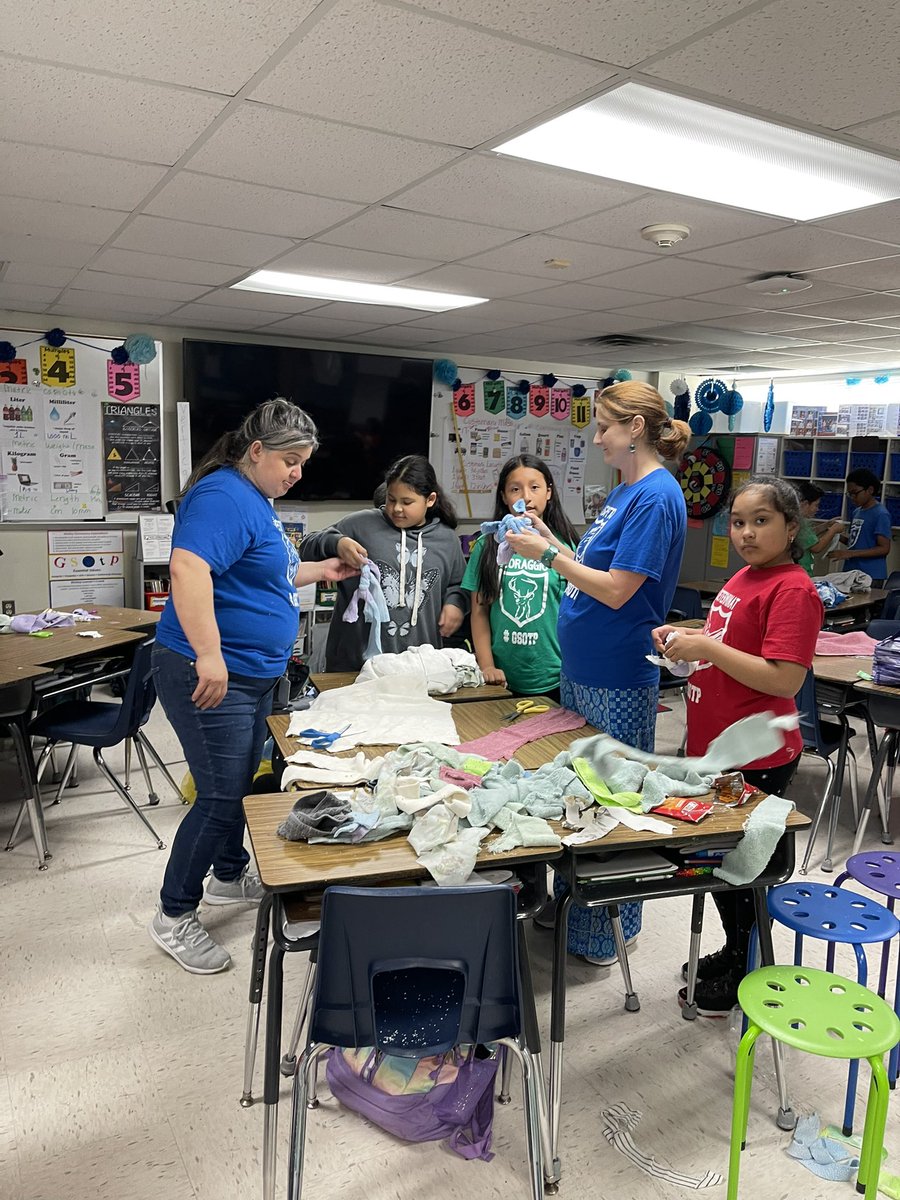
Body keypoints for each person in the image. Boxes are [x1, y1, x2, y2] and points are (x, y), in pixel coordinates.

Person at [149, 399, 358, 974]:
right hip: (212, 672)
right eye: (289, 460)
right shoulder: (223, 496)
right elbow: (189, 570)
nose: (297, 472)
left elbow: (260, 573)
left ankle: (225, 875)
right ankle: (172, 915)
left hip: (251, 674)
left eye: (304, 463)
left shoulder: (256, 500)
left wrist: (319, 571)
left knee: (238, 784)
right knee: (218, 796)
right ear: (256, 451)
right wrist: (211, 656)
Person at [506, 382, 689, 965]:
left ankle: (607, 931)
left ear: (635, 427)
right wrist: (550, 540)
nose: (596, 436)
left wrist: (548, 558)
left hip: (616, 672)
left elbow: (617, 591)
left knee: (611, 804)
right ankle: (571, 908)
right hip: (585, 668)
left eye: (605, 427)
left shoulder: (656, 497)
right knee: (575, 796)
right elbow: (591, 566)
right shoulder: (625, 492)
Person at [653, 476, 823, 1016]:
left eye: (761, 521)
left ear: (791, 528)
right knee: (724, 864)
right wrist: (690, 638)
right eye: (739, 522)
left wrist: (707, 646)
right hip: (721, 751)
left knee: (740, 868)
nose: (746, 532)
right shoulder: (747, 576)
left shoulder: (792, 588)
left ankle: (746, 970)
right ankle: (733, 951)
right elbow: (729, 640)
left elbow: (784, 679)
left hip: (757, 754)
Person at [300, 454, 468, 671]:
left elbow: (460, 584)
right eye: (391, 499)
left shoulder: (447, 540)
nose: (397, 508)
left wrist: (455, 604)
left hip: (418, 665)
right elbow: (306, 546)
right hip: (355, 664)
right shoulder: (361, 524)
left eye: (407, 502)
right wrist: (337, 542)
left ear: (431, 500)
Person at [462, 455, 578, 701]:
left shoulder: (565, 545)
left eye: (535, 487)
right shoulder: (486, 546)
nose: (526, 496)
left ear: (549, 492)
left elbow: (582, 606)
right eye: (515, 489)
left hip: (558, 675)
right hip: (502, 679)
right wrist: (487, 667)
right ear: (504, 497)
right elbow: (479, 612)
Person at [830, 468, 891, 582]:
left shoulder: (880, 514)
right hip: (851, 571)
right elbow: (856, 542)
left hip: (870, 574)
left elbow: (884, 548)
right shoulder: (856, 512)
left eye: (855, 493)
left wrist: (850, 554)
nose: (852, 497)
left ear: (870, 490)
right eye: (850, 494)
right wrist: (835, 535)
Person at [795, 481, 843, 576]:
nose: (817, 509)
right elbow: (816, 547)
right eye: (816, 505)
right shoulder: (798, 523)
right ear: (805, 504)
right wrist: (833, 530)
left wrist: (826, 525)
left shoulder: (797, 521)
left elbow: (808, 536)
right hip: (802, 573)